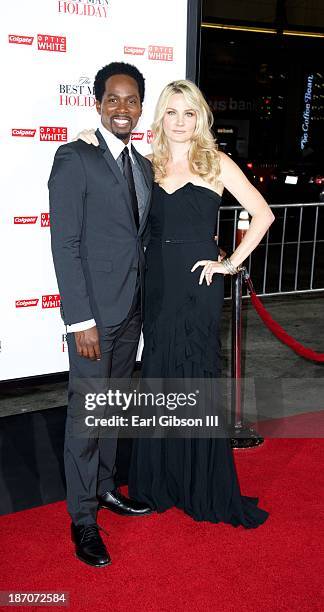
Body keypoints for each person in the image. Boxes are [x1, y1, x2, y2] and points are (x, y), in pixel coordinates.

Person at [78, 79, 274, 528]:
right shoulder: (147, 165)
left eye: (189, 113)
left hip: (198, 285)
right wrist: (90, 139)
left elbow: (263, 213)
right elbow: (109, 184)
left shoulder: (216, 163)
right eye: (172, 112)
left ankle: (201, 484)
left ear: (200, 117)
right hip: (157, 285)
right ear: (160, 117)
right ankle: (162, 482)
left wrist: (230, 264)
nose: (181, 121)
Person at [48, 62, 153, 568]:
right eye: (113, 99)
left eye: (131, 101)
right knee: (86, 417)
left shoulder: (143, 165)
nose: (122, 109)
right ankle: (83, 520)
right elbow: (65, 244)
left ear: (139, 109)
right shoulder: (74, 157)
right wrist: (78, 319)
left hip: (130, 310)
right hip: (92, 316)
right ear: (96, 103)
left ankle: (107, 489)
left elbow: (140, 238)